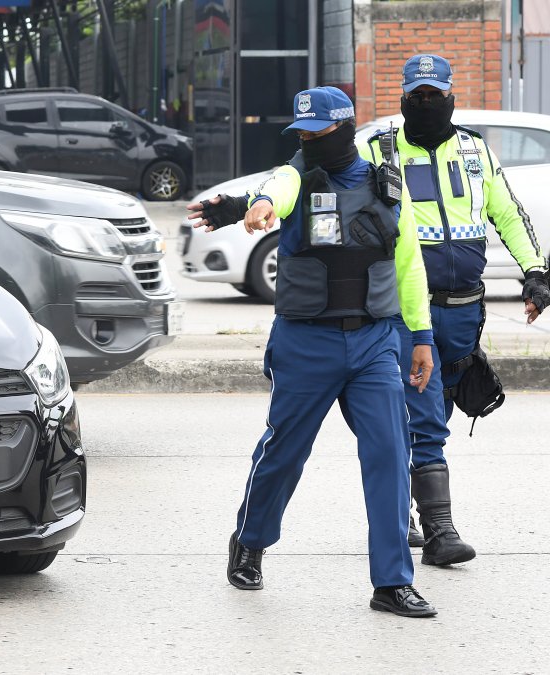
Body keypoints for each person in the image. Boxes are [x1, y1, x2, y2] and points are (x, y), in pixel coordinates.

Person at [187, 86, 438, 618]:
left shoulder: (386, 183)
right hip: (306, 342)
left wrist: (421, 337)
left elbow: (409, 264)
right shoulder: (297, 174)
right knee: (285, 452)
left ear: (345, 128)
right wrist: (251, 207)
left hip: (374, 340)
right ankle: (250, 541)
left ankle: (391, 582)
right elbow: (274, 189)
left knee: (390, 455)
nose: (306, 140)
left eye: (316, 132)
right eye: (300, 132)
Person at [360, 54, 549, 566]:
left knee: (436, 408)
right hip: (406, 312)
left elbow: (507, 211)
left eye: (434, 94)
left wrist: (535, 270)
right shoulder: (376, 149)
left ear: (450, 95)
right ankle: (440, 530)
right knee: (424, 415)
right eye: (417, 95)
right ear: (403, 98)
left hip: (466, 309)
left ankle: (404, 510)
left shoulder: (474, 149)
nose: (426, 103)